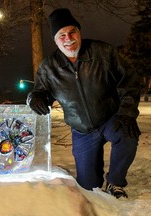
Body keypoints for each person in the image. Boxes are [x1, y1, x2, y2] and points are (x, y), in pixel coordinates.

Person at [27, 8, 141, 199]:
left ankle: (115, 182)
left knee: (127, 134)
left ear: (79, 32)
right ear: (55, 40)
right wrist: (34, 98)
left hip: (111, 117)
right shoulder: (49, 67)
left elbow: (129, 80)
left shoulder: (103, 52)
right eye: (61, 35)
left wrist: (127, 112)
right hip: (81, 129)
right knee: (89, 187)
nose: (68, 38)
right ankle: (95, 183)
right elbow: (39, 92)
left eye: (72, 32)